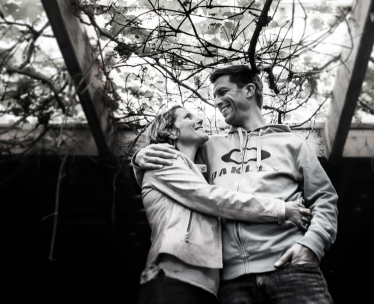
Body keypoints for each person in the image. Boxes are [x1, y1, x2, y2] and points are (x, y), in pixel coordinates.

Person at [134, 65, 338, 303]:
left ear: (249, 90)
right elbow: (174, 167)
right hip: (231, 282)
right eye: (215, 96)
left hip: (291, 267)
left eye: (222, 92)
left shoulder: (292, 143)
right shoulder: (207, 147)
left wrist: (312, 245)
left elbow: (325, 199)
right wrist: (138, 158)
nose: (217, 102)